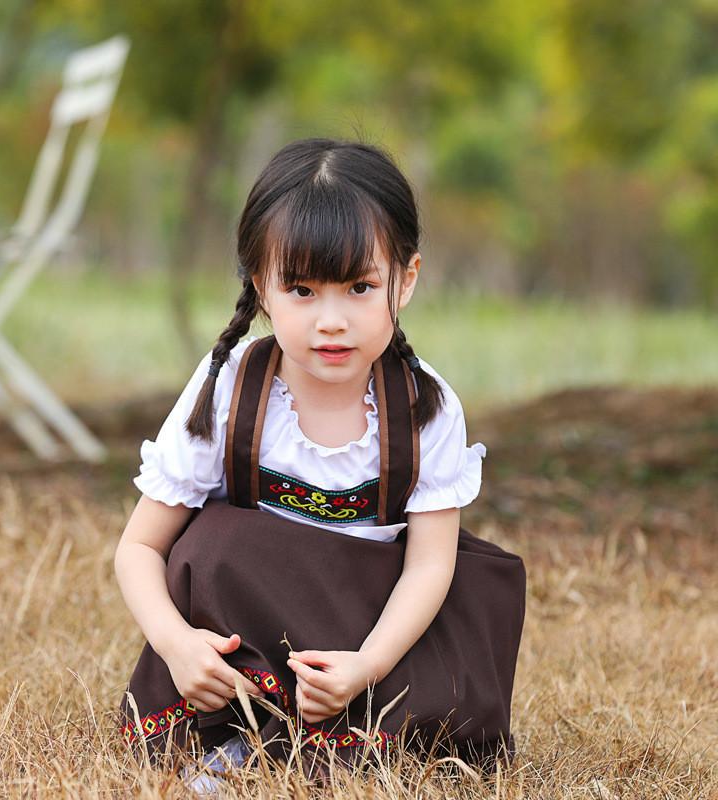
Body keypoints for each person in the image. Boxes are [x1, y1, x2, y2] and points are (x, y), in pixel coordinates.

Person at [114, 138, 525, 789]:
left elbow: (429, 563)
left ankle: (348, 734)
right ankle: (246, 735)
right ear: (261, 287)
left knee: (460, 642)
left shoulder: (425, 407)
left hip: (373, 633)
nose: (331, 321)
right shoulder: (230, 387)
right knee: (217, 544)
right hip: (256, 638)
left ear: (406, 280)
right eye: (301, 289)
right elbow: (139, 547)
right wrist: (176, 643)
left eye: (360, 288)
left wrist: (365, 666)